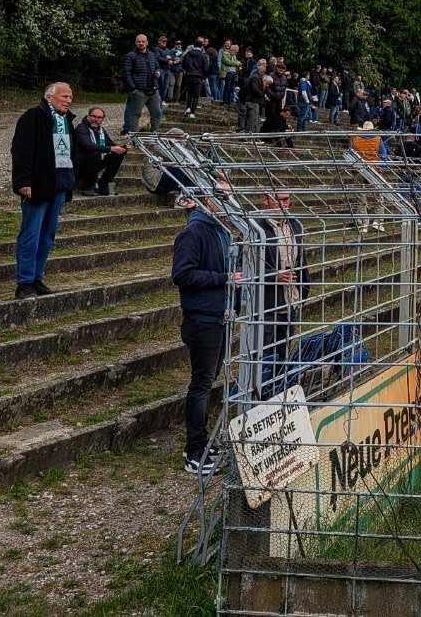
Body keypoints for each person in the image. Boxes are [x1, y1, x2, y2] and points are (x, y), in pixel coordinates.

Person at [171, 190, 240, 475]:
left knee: (208, 380)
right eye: (222, 194)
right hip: (203, 319)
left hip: (220, 315)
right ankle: (194, 450)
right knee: (200, 384)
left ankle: (203, 442)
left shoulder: (220, 230)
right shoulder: (194, 231)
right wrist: (224, 278)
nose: (229, 199)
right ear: (207, 199)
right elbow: (182, 274)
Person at [10, 83, 79, 298]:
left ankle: (37, 277)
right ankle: (25, 282)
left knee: (47, 235)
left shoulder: (67, 120)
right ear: (50, 97)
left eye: (70, 97)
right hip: (39, 184)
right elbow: (21, 150)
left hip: (59, 184)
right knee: (31, 233)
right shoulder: (33, 116)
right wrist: (23, 182)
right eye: (64, 96)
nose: (68, 100)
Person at [256, 192, 307, 397]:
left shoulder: (295, 226)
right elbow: (244, 267)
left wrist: (302, 291)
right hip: (267, 305)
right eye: (278, 199)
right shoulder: (256, 228)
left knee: (283, 352)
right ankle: (261, 398)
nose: (283, 204)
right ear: (265, 200)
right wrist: (273, 276)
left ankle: (278, 395)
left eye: (286, 200)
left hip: (289, 302)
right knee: (264, 356)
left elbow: (302, 263)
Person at [74, 106, 129, 196]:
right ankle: (88, 187)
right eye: (94, 116)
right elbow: (88, 146)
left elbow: (110, 144)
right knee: (94, 153)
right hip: (80, 163)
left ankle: (103, 185)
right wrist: (112, 149)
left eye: (99, 117)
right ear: (88, 116)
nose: (96, 119)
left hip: (96, 160)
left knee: (118, 155)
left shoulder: (101, 130)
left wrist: (122, 148)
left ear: (102, 119)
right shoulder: (81, 128)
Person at [121, 34, 163, 135]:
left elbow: (157, 67)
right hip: (139, 91)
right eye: (139, 41)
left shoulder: (152, 55)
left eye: (143, 41)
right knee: (135, 114)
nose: (141, 43)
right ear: (136, 42)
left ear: (147, 42)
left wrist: (158, 72)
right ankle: (133, 137)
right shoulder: (131, 56)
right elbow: (126, 73)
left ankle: (155, 134)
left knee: (157, 113)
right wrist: (133, 89)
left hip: (153, 90)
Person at [181, 37, 209, 118]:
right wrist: (204, 77)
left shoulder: (188, 54)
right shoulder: (203, 55)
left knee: (189, 93)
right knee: (196, 95)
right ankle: (192, 113)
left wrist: (187, 71)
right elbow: (206, 68)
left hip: (189, 76)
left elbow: (183, 64)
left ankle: (188, 108)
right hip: (198, 77)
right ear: (201, 46)